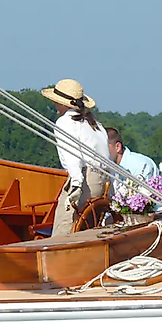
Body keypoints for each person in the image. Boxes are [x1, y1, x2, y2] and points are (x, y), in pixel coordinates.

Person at [40, 79, 110, 237]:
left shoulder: (64, 123)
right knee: (89, 228)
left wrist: (76, 184)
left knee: (63, 227)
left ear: (63, 104)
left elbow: (72, 156)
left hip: (85, 180)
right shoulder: (96, 125)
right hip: (101, 182)